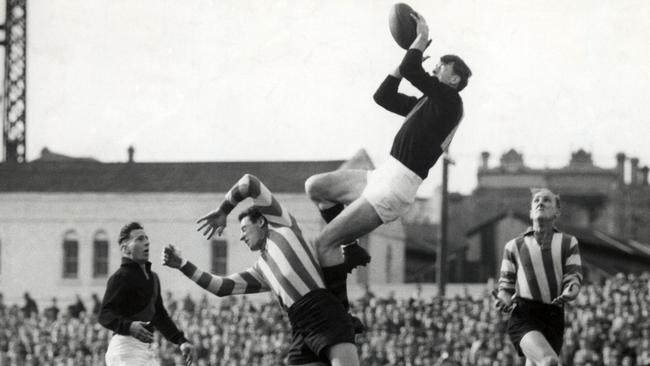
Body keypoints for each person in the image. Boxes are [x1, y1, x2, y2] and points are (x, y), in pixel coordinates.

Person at [305, 13, 472, 268]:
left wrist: (421, 37)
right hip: (383, 174)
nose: (435, 67)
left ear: (454, 79)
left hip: (397, 185)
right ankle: (351, 248)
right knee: (315, 186)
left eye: (441, 66)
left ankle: (335, 306)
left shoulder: (451, 102)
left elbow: (411, 69)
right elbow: (383, 96)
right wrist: (407, 59)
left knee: (323, 243)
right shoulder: (426, 104)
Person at [164, 174, 359, 366]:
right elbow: (220, 287)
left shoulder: (282, 225)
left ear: (260, 222)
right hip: (299, 325)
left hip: (323, 311)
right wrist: (183, 265)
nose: (241, 237)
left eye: (243, 229)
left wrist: (224, 210)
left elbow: (249, 183)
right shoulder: (261, 268)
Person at [493, 188, 583, 366]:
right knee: (548, 361)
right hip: (525, 314)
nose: (540, 203)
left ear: (557, 211)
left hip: (554, 315)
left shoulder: (568, 242)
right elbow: (506, 286)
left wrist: (571, 290)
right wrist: (503, 299)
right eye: (536, 201)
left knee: (535, 363)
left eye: (547, 200)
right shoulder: (513, 246)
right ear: (530, 212)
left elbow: (573, 276)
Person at [99, 222, 193, 366]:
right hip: (125, 349)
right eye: (139, 239)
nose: (146, 242)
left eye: (146, 238)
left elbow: (160, 316)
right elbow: (104, 314)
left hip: (145, 350)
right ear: (125, 248)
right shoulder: (120, 277)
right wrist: (128, 326)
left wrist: (181, 341)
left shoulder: (153, 278)